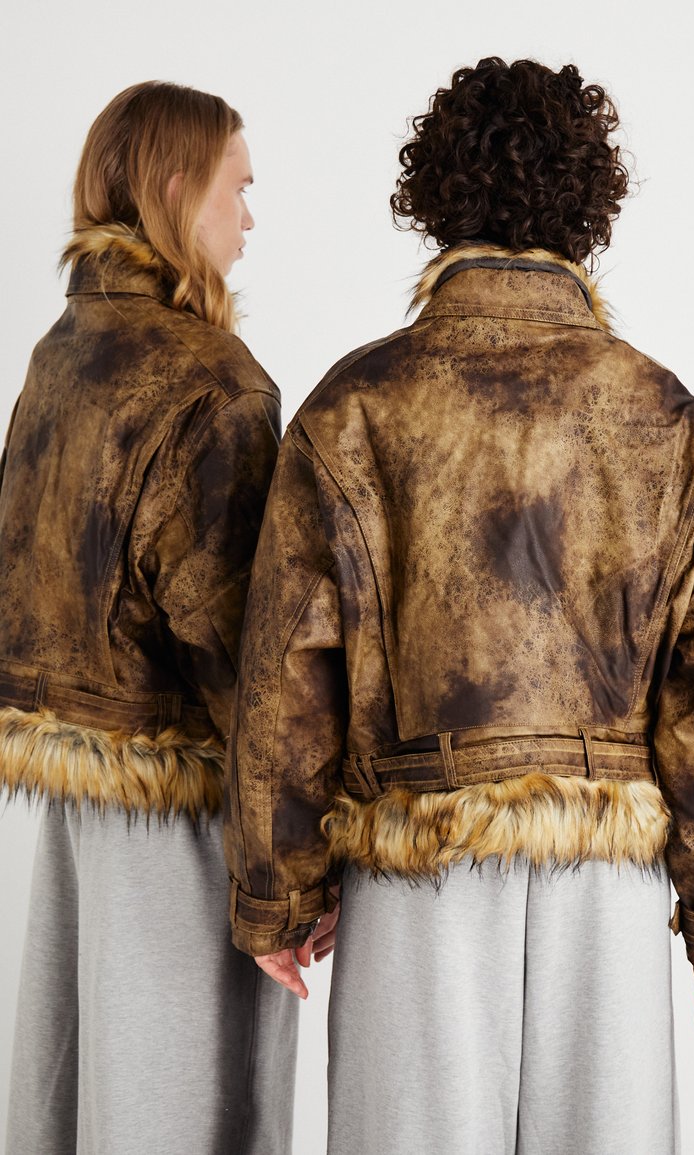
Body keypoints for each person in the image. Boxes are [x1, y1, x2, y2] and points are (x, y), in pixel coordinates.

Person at [224, 58, 694, 1154]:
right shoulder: (668, 419)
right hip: (604, 885)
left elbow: (284, 672)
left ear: (435, 198)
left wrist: (279, 894)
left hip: (414, 871)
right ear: (589, 206)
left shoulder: (353, 409)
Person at [1, 82, 295, 1154]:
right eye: (237, 188)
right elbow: (244, 653)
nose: (250, 218)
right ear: (176, 190)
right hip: (181, 813)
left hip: (77, 798)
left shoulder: (60, 352)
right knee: (186, 1112)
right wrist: (286, 863)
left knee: (79, 1098)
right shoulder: (213, 382)